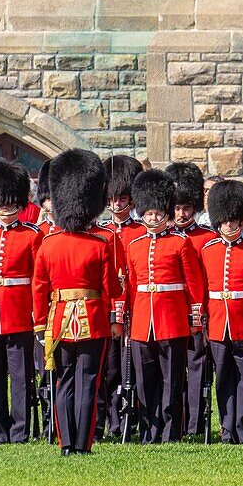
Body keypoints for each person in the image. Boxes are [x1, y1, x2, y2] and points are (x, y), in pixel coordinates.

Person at [33, 149, 122, 456]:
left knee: (63, 381)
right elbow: (111, 287)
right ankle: (83, 443)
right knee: (87, 382)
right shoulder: (100, 245)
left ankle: (66, 443)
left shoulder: (48, 245)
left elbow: (39, 288)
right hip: (93, 321)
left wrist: (40, 323)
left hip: (58, 321)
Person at [124, 168, 206, 444]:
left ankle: (171, 431)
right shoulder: (135, 245)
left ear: (166, 213)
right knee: (146, 381)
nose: (153, 217)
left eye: (158, 213)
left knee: (172, 380)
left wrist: (195, 318)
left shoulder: (180, 243)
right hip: (142, 322)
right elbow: (133, 287)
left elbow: (193, 286)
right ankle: (149, 429)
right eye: (148, 213)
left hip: (172, 320)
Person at [0, 160, 44, 444]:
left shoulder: (31, 234)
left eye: (9, 202)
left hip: (19, 314)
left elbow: (37, 281)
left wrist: (36, 317)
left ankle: (19, 430)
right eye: (0, 202)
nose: (4, 208)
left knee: (21, 376)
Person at [201, 180, 243, 444]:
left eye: (234, 221)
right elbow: (205, 291)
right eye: (225, 221)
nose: (229, 225)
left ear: (242, 222)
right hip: (219, 324)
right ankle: (227, 428)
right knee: (224, 380)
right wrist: (205, 325)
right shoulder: (208, 251)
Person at [165, 161, 217, 438]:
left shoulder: (207, 238)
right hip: (170, 312)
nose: (181, 213)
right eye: (177, 208)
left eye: (186, 208)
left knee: (196, 367)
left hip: (197, 313)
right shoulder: (164, 238)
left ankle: (195, 423)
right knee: (172, 371)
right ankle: (176, 421)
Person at [99, 154, 144, 439]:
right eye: (112, 198)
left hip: (136, 308)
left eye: (122, 197)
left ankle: (133, 418)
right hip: (108, 310)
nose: (116, 204)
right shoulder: (101, 232)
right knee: (109, 369)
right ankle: (111, 420)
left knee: (134, 370)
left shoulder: (140, 231)